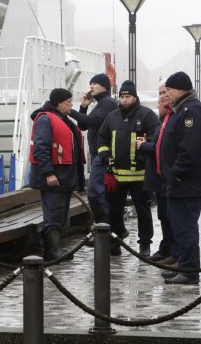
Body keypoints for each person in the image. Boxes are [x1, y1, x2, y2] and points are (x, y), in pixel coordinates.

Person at [157, 71, 201, 285]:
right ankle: (183, 264)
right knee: (178, 227)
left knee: (185, 227)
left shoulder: (191, 111)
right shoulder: (181, 110)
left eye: (170, 90)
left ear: (180, 90)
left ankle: (190, 271)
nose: (167, 94)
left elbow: (187, 149)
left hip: (186, 183)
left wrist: (175, 174)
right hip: (178, 183)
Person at [96, 80, 159, 256]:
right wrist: (104, 156)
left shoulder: (147, 115)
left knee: (143, 211)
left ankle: (145, 244)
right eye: (122, 97)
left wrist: (145, 150)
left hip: (140, 176)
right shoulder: (112, 117)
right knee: (113, 211)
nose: (124, 100)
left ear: (135, 97)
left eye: (128, 96)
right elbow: (102, 138)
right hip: (116, 175)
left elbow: (157, 139)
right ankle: (116, 240)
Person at [28, 88, 85, 262]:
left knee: (60, 213)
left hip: (65, 176)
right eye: (68, 102)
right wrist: (49, 173)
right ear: (58, 103)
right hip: (54, 176)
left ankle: (56, 249)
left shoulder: (64, 119)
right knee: (53, 213)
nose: (71, 104)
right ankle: (53, 252)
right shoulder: (45, 119)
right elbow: (41, 148)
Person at [70, 73, 117, 225]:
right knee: (100, 194)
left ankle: (105, 229)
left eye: (95, 83)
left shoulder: (108, 103)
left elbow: (93, 120)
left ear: (104, 86)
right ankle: (106, 232)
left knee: (95, 193)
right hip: (97, 154)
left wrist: (69, 110)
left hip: (103, 155)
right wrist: (83, 107)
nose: (91, 86)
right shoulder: (100, 103)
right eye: (91, 84)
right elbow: (83, 125)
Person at [136, 84, 175, 263]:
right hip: (160, 178)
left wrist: (144, 146)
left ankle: (172, 252)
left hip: (167, 177)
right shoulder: (163, 121)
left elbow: (164, 147)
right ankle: (166, 249)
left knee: (169, 217)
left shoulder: (170, 119)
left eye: (163, 96)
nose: (160, 100)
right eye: (159, 95)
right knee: (164, 216)